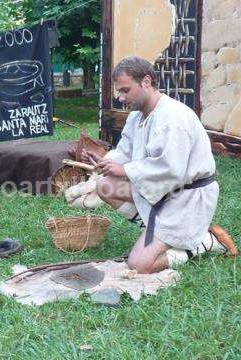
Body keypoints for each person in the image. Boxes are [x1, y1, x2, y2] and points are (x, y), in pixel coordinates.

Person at [81, 56, 238, 274]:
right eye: (119, 91)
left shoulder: (173, 117)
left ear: (146, 81)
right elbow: (125, 151)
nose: (119, 97)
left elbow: (172, 169)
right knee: (105, 185)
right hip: (162, 191)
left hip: (186, 199)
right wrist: (105, 162)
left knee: (139, 265)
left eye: (125, 90)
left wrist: (125, 170)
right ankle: (154, 231)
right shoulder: (136, 116)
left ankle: (205, 242)